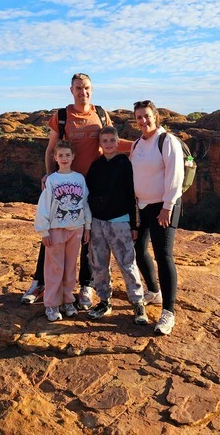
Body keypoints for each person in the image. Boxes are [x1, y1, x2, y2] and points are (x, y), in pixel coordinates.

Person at [22, 72, 127, 309]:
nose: (83, 92)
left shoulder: (101, 115)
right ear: (71, 90)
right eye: (78, 88)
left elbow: (113, 143)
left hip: (95, 185)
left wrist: (143, 144)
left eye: (86, 87)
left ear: (92, 89)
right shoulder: (62, 116)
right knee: (53, 233)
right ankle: (40, 283)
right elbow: (51, 148)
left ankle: (86, 286)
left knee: (89, 235)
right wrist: (50, 175)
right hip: (65, 185)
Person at [85, 126, 148, 324]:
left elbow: (131, 195)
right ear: (100, 144)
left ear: (118, 142)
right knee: (99, 264)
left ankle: (138, 303)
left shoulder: (125, 163)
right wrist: (88, 224)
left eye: (112, 140)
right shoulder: (96, 166)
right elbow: (88, 195)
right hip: (98, 222)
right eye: (104, 141)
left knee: (127, 263)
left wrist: (134, 225)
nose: (109, 144)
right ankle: (104, 301)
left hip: (120, 221)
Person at [130, 100, 183, 335]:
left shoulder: (167, 140)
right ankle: (153, 291)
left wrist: (167, 206)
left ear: (155, 116)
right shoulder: (137, 144)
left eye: (147, 116)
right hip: (142, 206)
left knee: (164, 255)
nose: (143, 121)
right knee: (138, 249)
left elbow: (175, 175)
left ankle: (168, 312)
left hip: (164, 206)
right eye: (139, 117)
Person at [34, 140, 92, 321]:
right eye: (61, 155)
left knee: (70, 268)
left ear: (73, 156)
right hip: (56, 230)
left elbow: (85, 203)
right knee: (54, 268)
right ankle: (52, 304)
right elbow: (43, 206)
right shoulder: (52, 180)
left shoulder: (79, 179)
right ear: (55, 158)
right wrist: (44, 231)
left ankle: (68, 300)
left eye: (67, 155)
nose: (64, 158)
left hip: (76, 229)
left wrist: (87, 226)